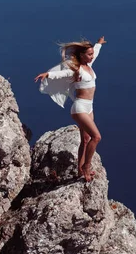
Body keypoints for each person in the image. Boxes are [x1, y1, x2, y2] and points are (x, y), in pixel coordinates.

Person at [34, 36, 107, 182]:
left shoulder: (89, 64)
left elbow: (96, 54)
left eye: (92, 54)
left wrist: (99, 44)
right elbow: (63, 73)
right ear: (81, 55)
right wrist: (48, 74)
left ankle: (80, 170)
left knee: (85, 140)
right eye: (89, 54)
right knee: (96, 137)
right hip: (79, 107)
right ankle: (86, 166)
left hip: (89, 107)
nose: (92, 56)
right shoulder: (77, 70)